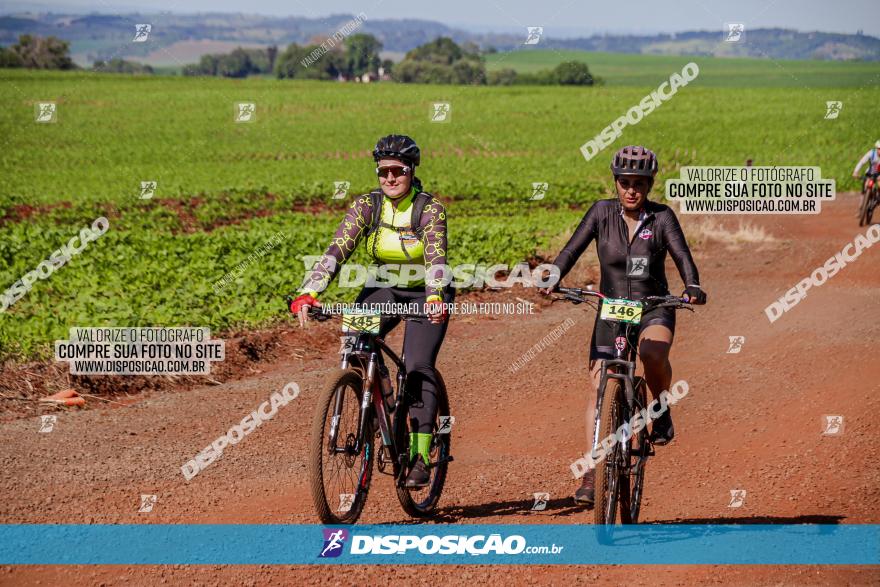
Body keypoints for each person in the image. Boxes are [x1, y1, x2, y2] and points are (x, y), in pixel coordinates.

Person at [539, 145, 707, 506]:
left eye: (639, 183)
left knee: (652, 351)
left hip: (653, 306)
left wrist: (691, 286)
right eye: (624, 182)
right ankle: (591, 472)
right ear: (615, 182)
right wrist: (554, 273)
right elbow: (571, 250)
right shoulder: (601, 213)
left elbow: (683, 258)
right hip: (612, 307)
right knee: (599, 383)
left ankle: (660, 410)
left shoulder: (662, 218)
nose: (631, 190)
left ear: (649, 185)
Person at [288, 134, 452, 488]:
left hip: (427, 291)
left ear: (411, 172)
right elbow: (337, 250)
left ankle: (421, 454)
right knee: (354, 342)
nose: (390, 178)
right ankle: (383, 401)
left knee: (417, 364)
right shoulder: (366, 205)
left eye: (397, 171)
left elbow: (437, 259)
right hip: (384, 286)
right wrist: (309, 290)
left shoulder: (430, 208)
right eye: (383, 172)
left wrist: (436, 295)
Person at [852, 140, 880, 216]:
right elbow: (861, 162)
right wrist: (856, 172)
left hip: (879, 175)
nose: (879, 151)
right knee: (864, 190)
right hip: (870, 174)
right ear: (876, 148)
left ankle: (877, 199)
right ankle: (861, 209)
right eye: (879, 149)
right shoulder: (871, 153)